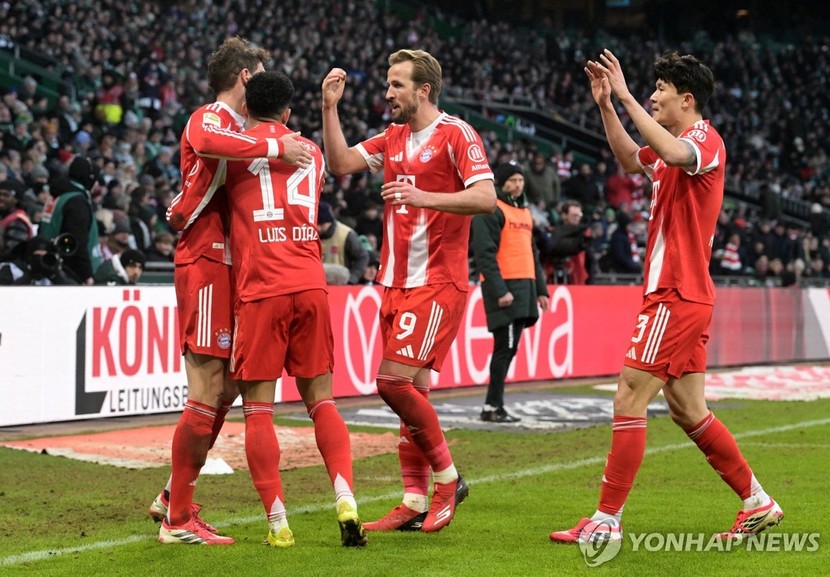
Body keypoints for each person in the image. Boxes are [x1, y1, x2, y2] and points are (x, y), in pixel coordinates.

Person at [549, 50, 782, 544]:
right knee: (688, 409)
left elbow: (674, 155)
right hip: (682, 293)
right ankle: (757, 501)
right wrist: (607, 106)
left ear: (687, 99)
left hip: (676, 292)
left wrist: (625, 94)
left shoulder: (703, 140)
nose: (653, 96)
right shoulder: (671, 144)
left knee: (628, 396)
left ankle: (606, 521)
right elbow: (629, 158)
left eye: (660, 89)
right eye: (651, 89)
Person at [322, 48, 496, 533]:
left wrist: (424, 196)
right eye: (387, 83)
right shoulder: (393, 136)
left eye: (396, 84)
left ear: (424, 89)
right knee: (410, 394)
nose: (387, 93)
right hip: (394, 281)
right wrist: (329, 108)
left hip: (437, 281)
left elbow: (486, 197)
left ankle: (448, 480)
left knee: (392, 383)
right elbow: (339, 163)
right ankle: (414, 499)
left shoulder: (457, 134)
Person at [154, 37, 312, 546]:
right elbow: (207, 143)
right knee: (206, 389)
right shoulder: (211, 117)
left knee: (228, 389)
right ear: (245, 76)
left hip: (232, 268)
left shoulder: (243, 131)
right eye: (260, 72)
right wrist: (276, 146)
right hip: (205, 261)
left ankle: (173, 495)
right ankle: (177, 521)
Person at [223, 70, 367, 548]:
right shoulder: (314, 153)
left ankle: (278, 522)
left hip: (261, 287)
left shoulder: (234, 150)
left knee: (258, 410)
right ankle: (345, 497)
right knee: (322, 401)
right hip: (309, 284)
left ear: (247, 108)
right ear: (287, 112)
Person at [471, 161, 549, 423]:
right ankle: (492, 406)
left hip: (524, 287)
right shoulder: (490, 209)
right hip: (505, 287)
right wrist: (500, 290)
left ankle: (493, 405)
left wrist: (541, 290)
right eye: (512, 180)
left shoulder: (524, 211)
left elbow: (533, 254)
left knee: (510, 347)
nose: (517, 185)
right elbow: (484, 254)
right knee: (505, 347)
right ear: (502, 182)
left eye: (520, 180)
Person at [38, 156, 103, 284]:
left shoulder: (58, 195)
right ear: (88, 178)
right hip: (68, 273)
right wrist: (85, 274)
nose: (96, 184)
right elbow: (75, 241)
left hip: (49, 266)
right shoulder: (77, 202)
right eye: (95, 179)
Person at [318, 200, 369, 284]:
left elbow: (362, 257)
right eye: (316, 224)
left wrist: (352, 278)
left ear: (330, 221)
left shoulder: (346, 234)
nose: (318, 228)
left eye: (322, 224)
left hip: (340, 285)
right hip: (316, 284)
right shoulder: (309, 233)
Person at [0, 181, 33, 259]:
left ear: (16, 199)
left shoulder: (18, 221)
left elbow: (13, 251)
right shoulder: (4, 216)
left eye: (6, 195)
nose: (1, 198)